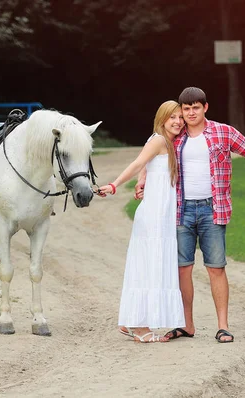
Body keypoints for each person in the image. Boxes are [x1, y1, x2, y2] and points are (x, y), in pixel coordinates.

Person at [135, 87, 245, 343]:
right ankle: (186, 325)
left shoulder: (223, 132)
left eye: (196, 107)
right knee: (182, 270)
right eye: (186, 109)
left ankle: (223, 326)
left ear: (205, 107)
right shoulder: (175, 135)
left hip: (212, 210)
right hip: (180, 211)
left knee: (216, 268)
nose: (190, 113)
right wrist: (142, 179)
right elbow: (152, 157)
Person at [98, 100, 186, 343]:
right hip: (155, 214)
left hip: (162, 212)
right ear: (162, 120)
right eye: (172, 118)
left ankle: (131, 320)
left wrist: (142, 179)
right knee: (149, 264)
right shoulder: (158, 140)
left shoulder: (167, 141)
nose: (178, 121)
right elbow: (138, 162)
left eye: (180, 117)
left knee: (148, 263)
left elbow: (146, 167)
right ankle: (140, 327)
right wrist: (115, 185)